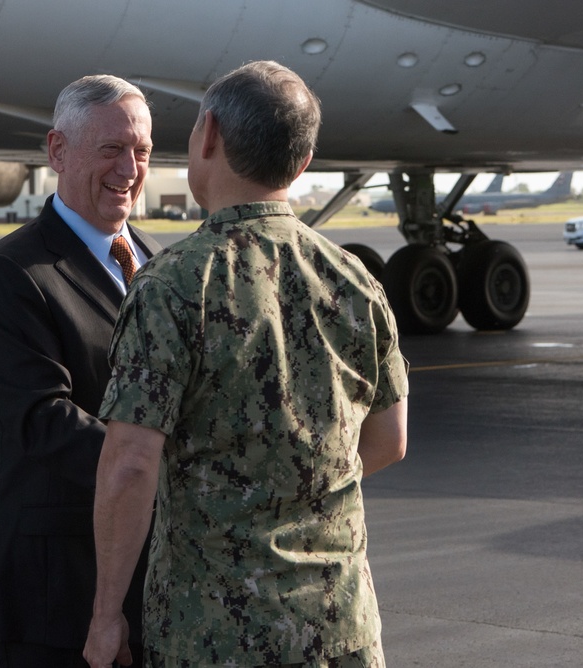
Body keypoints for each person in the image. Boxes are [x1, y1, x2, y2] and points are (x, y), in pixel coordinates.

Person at [84, 60, 410, 668]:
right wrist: (292, 491)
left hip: (215, 636)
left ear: (208, 134)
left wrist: (106, 616)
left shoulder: (174, 284)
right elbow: (390, 440)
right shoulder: (356, 281)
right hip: (340, 627)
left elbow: (130, 464)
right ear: (302, 162)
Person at [0, 75, 160, 667]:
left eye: (141, 151)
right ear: (58, 151)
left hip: (155, 579)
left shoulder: (162, 263)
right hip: (58, 587)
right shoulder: (14, 271)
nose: (129, 169)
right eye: (111, 149)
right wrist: (161, 462)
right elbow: (41, 421)